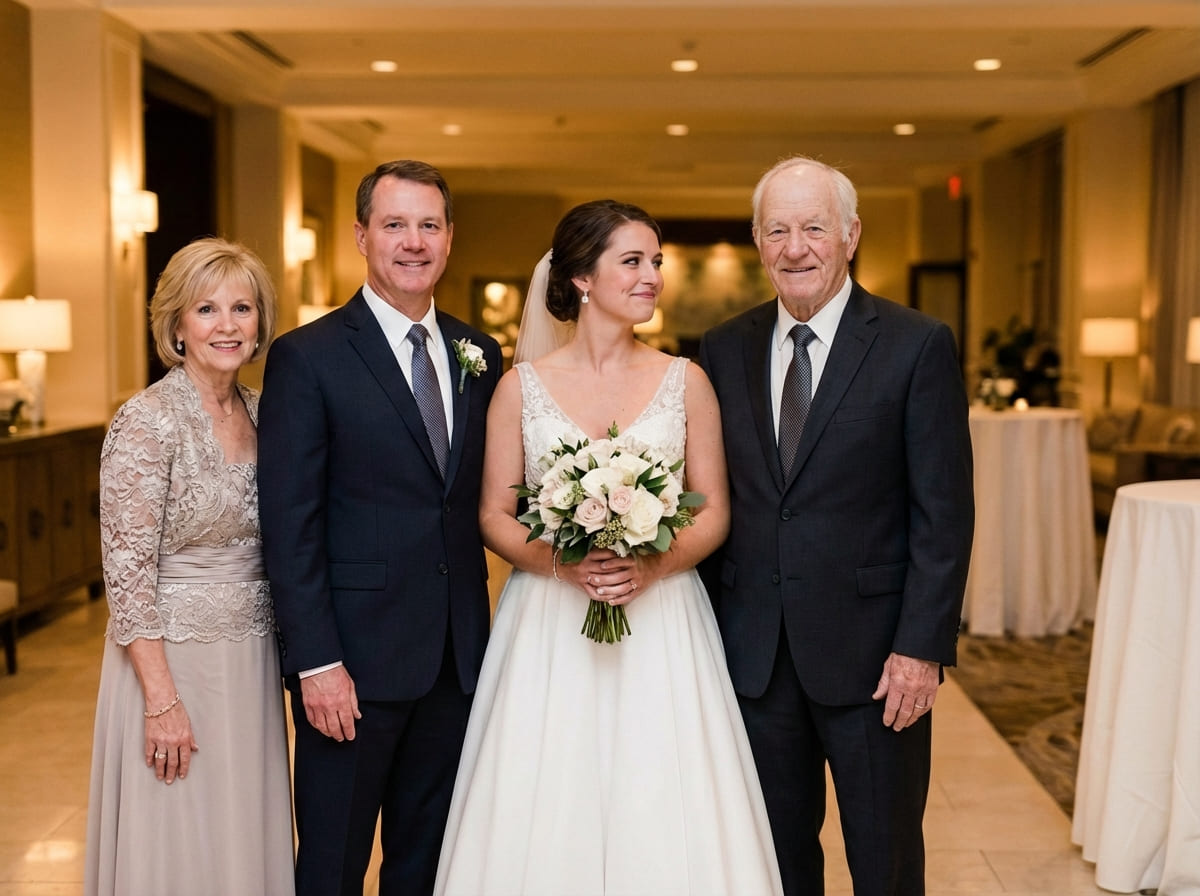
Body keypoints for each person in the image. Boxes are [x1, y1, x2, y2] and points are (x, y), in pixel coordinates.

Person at [434, 200, 783, 896]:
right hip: (549, 624)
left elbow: (713, 511)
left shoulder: (687, 381)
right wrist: (563, 564)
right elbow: (494, 514)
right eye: (633, 261)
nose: (653, 276)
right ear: (583, 278)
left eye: (655, 262)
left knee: (657, 783)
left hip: (662, 620)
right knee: (552, 783)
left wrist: (650, 565)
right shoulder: (519, 388)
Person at [699, 156, 974, 896]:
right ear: (758, 240)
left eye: (814, 228)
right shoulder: (721, 350)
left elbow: (944, 515)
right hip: (753, 661)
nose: (796, 248)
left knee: (884, 862)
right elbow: (708, 500)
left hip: (875, 665)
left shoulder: (916, 344)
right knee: (775, 863)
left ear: (850, 235)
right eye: (779, 230)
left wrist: (921, 649)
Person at [257, 160, 502, 896]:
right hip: (351, 666)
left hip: (456, 660)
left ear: (450, 239)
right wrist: (317, 662)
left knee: (426, 863)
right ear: (362, 235)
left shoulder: (479, 354)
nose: (413, 242)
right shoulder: (309, 357)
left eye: (429, 226)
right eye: (395, 225)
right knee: (333, 862)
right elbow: (289, 525)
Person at [84, 237, 292, 896]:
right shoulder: (146, 422)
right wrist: (161, 701)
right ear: (177, 324)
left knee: (239, 828)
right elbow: (126, 575)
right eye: (207, 310)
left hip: (249, 657)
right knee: (179, 830)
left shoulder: (266, 414)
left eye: (242, 308)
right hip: (171, 666)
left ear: (261, 322)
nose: (227, 325)